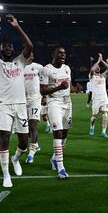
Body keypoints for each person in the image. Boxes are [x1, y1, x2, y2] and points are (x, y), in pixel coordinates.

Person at [0, 14, 33, 188]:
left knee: (23, 143)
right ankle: (6, 174)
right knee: (4, 137)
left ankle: (16, 159)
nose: (7, 48)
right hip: (3, 105)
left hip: (21, 105)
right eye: (4, 47)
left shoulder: (20, 62)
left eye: (10, 47)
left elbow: (29, 45)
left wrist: (17, 26)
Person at [40, 46, 78, 179]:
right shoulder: (46, 69)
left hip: (68, 103)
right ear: (54, 55)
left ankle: (54, 158)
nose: (63, 55)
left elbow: (69, 87)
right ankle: (61, 167)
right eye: (60, 53)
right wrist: (58, 87)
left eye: (64, 53)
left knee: (65, 134)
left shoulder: (67, 68)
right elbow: (43, 91)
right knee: (58, 132)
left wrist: (76, 89)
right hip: (54, 103)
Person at [24, 53, 43, 163]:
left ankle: (31, 153)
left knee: (33, 123)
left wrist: (45, 95)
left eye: (30, 54)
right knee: (25, 128)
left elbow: (45, 81)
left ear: (33, 56)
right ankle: (35, 144)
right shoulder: (20, 67)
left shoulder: (38, 67)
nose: (29, 56)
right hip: (23, 99)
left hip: (35, 98)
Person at [88, 53, 108, 138]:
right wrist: (97, 61)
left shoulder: (103, 76)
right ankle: (92, 127)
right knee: (94, 116)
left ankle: (104, 132)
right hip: (96, 99)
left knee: (105, 114)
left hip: (104, 98)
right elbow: (92, 69)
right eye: (96, 67)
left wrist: (102, 60)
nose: (98, 68)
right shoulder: (91, 76)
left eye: (99, 67)